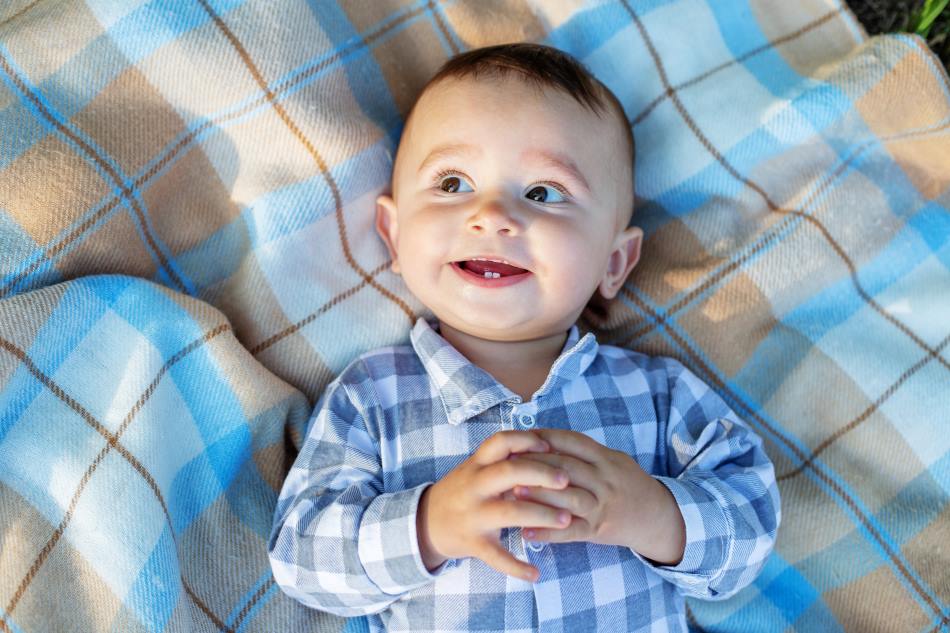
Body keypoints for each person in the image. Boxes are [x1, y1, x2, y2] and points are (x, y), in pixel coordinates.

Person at [268, 43, 780, 632]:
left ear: (614, 263)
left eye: (543, 193)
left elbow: (752, 523)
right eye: (453, 182)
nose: (492, 214)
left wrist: (656, 514)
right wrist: (428, 525)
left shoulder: (658, 393)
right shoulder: (372, 398)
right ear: (395, 234)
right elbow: (301, 559)